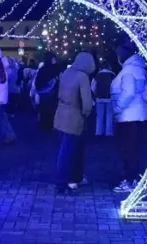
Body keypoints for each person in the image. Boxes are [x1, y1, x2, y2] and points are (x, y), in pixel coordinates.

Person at [110, 43, 147, 193]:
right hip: (141, 116)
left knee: (127, 150)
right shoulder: (142, 70)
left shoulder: (128, 71)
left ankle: (129, 180)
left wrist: (118, 108)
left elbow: (128, 92)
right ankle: (135, 178)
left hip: (128, 117)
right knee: (137, 149)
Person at [54, 52, 95, 193]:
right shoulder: (83, 76)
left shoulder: (67, 72)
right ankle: (63, 182)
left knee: (68, 150)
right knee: (70, 152)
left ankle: (75, 178)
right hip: (74, 117)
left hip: (60, 115)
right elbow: (87, 103)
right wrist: (86, 115)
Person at [34, 52, 65, 132]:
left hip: (44, 93)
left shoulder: (43, 69)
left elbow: (37, 82)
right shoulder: (56, 69)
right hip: (53, 93)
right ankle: (51, 125)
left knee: (45, 110)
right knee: (52, 110)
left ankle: (44, 125)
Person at [91, 60, 116, 137]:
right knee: (109, 115)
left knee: (99, 116)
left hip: (99, 98)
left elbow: (93, 86)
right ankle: (108, 133)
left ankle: (99, 132)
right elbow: (115, 87)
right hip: (110, 98)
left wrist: (96, 94)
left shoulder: (98, 75)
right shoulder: (113, 75)